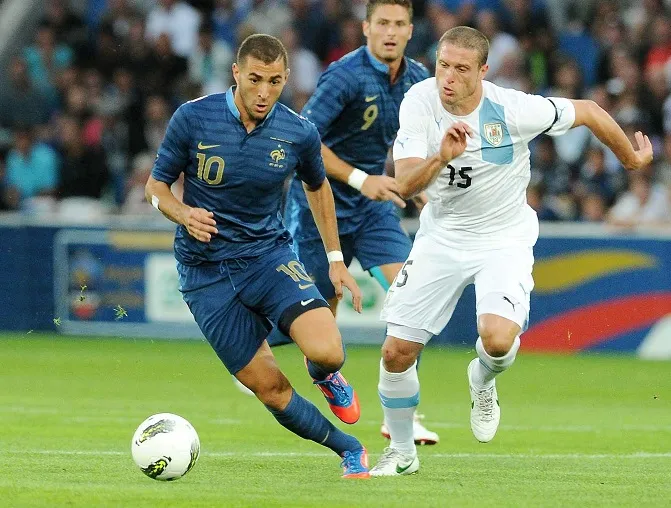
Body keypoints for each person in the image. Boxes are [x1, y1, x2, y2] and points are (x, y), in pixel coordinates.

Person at [369, 26, 653, 476]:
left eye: (461, 69)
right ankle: (402, 452)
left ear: (483, 71)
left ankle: (482, 379)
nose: (448, 78)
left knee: (498, 341)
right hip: (442, 237)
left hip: (503, 239)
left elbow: (590, 111)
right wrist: (441, 157)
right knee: (395, 353)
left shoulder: (512, 108)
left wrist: (630, 158)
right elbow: (403, 185)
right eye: (443, 65)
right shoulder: (419, 103)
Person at [145, 34, 370, 479]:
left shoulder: (298, 132)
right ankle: (349, 449)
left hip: (268, 258)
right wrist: (183, 213)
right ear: (236, 74)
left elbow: (318, 186)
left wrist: (335, 258)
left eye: (274, 81)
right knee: (269, 389)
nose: (264, 91)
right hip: (204, 274)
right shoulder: (193, 118)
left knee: (329, 351)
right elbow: (155, 188)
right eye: (254, 79)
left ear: (286, 79)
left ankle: (325, 376)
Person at [269, 0, 440, 446]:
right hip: (318, 207)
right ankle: (268, 346)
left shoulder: (420, 80)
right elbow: (305, 142)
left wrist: (417, 183)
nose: (390, 31)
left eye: (399, 24)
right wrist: (362, 178)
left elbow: (416, 144)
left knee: (412, 299)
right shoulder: (344, 76)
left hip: (374, 208)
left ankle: (402, 414)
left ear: (409, 31)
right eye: (382, 23)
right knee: (319, 333)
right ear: (366, 28)